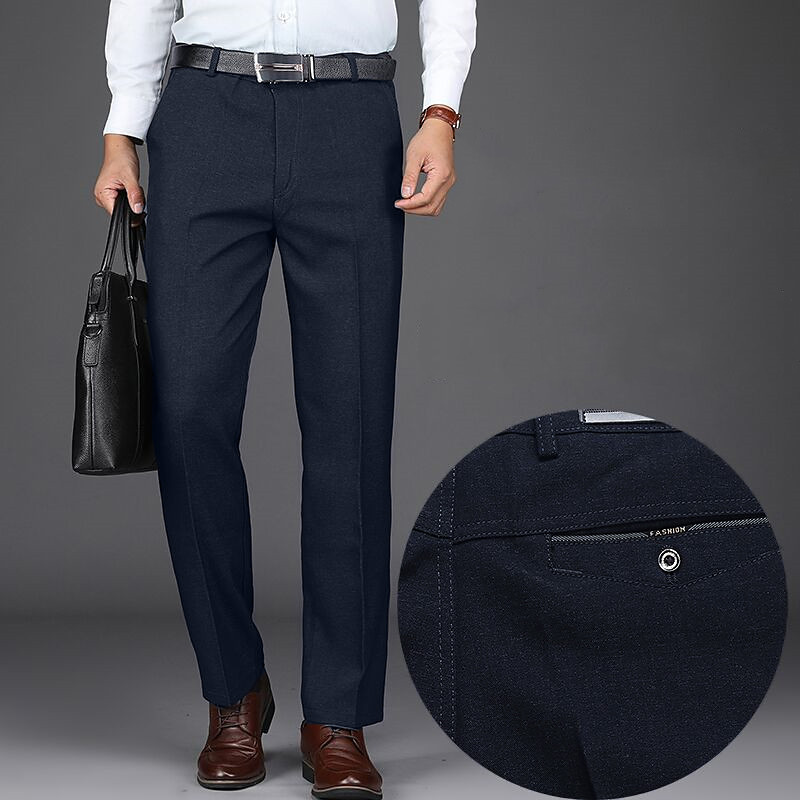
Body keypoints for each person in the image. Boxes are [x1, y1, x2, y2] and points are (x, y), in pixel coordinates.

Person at [93, 1, 476, 795]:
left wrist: (441, 111)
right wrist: (121, 130)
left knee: (352, 421)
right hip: (205, 114)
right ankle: (232, 691)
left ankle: (338, 716)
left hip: (351, 117)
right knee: (187, 408)